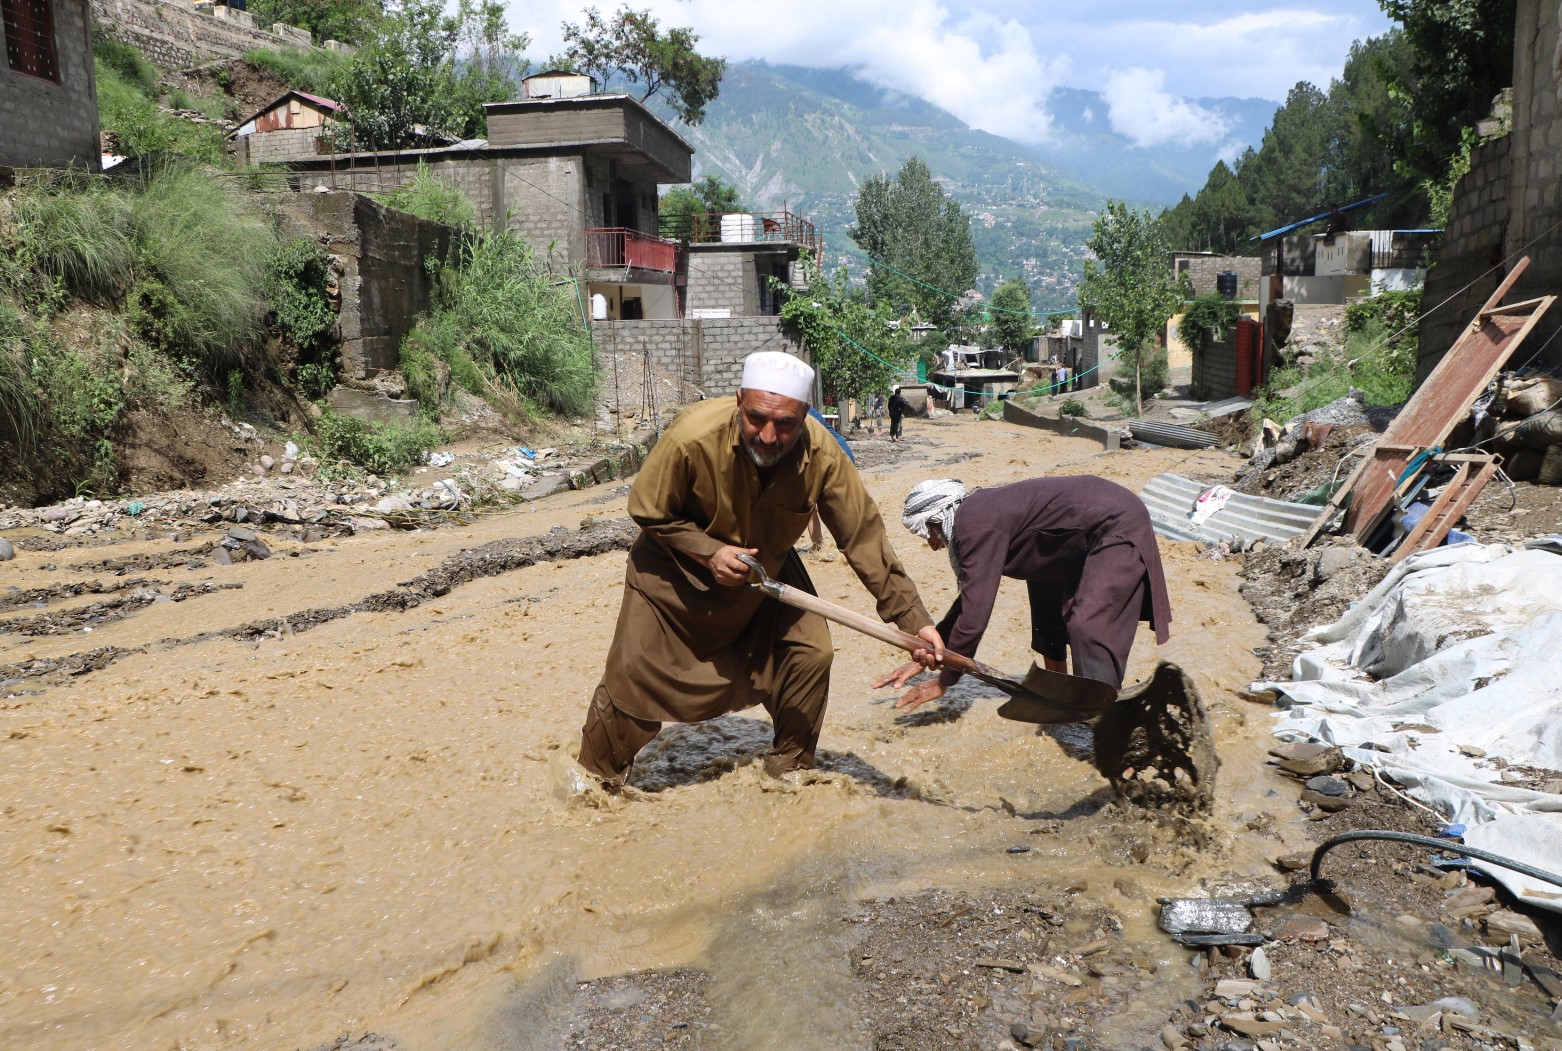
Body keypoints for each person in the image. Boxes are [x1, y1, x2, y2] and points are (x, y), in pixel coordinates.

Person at [578, 351, 945, 784]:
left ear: (805, 415)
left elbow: (863, 538)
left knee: (810, 653)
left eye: (785, 424)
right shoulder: (691, 437)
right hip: (673, 573)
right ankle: (593, 783)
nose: (768, 436)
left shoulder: (823, 455)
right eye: (756, 419)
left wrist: (914, 621)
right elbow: (648, 509)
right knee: (635, 679)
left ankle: (789, 772)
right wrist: (708, 552)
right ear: (739, 402)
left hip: (764, 579)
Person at [872, 476, 1172, 712]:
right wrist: (931, 650)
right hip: (1070, 539)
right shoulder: (976, 517)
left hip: (1116, 522)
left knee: (1088, 624)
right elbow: (967, 603)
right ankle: (1061, 691)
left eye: (929, 533)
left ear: (939, 518)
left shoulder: (974, 526)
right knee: (1045, 606)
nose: (933, 545)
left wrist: (944, 681)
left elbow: (974, 619)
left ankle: (1105, 714)